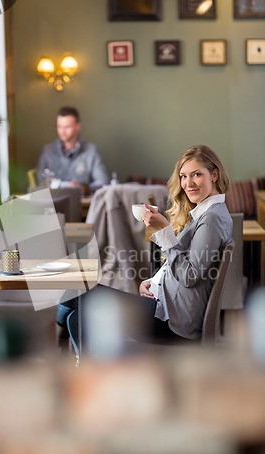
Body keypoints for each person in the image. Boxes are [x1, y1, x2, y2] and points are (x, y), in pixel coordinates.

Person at [57, 144, 233, 350]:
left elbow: (190, 274)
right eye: (183, 176)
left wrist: (165, 230)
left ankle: (60, 352)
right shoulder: (206, 213)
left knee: (76, 291)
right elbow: (188, 266)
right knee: (79, 312)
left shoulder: (212, 218)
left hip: (173, 322)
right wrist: (154, 281)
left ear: (214, 175)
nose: (188, 183)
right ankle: (81, 366)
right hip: (166, 309)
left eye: (196, 175)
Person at [36, 106, 109, 193]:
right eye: (59, 127)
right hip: (53, 205)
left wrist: (84, 188)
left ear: (78, 126)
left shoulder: (91, 151)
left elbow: (103, 181)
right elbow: (38, 183)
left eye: (67, 127)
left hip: (83, 205)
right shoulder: (47, 152)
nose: (62, 131)